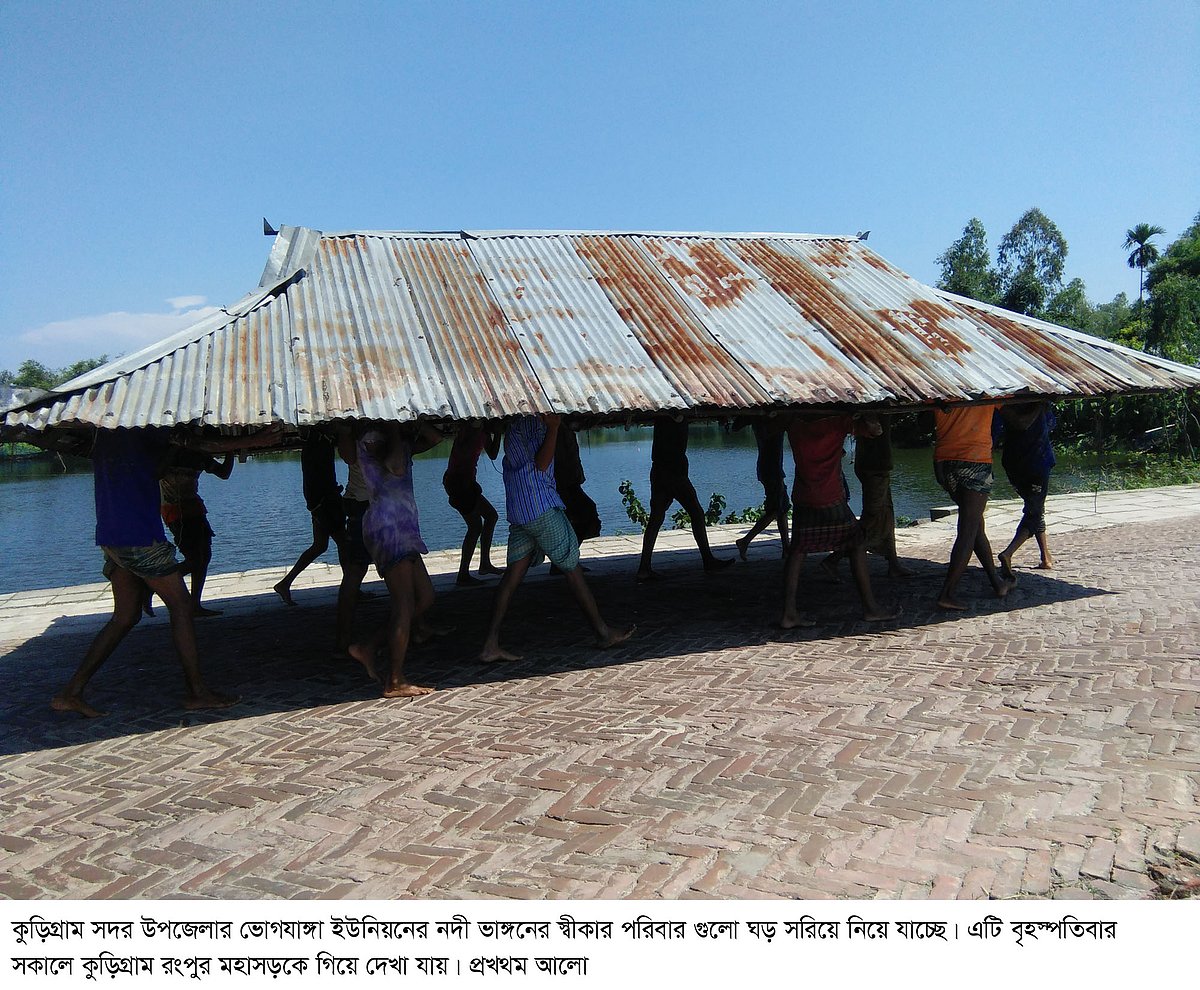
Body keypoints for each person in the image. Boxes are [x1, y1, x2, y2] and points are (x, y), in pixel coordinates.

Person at [52, 424, 279, 718]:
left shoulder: (107, 431)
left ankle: (71, 692)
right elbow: (199, 444)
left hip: (112, 535)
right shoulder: (141, 424)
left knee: (125, 617)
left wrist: (170, 450)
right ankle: (197, 692)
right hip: (138, 536)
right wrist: (256, 439)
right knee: (182, 607)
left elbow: (155, 471)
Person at [479, 414, 633, 662]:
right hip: (540, 507)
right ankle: (603, 632)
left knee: (511, 578)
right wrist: (553, 428)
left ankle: (490, 644)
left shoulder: (516, 426)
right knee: (572, 567)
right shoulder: (534, 424)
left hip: (520, 510)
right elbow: (541, 464)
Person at [347, 421, 443, 698]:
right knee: (404, 603)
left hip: (404, 526)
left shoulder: (397, 440)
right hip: (389, 527)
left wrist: (411, 424)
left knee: (425, 597)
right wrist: (394, 428)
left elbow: (435, 437)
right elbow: (396, 467)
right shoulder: (374, 437)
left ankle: (369, 646)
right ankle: (395, 680)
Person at [780, 414, 900, 628]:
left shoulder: (794, 422)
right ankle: (870, 608)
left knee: (797, 550)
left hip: (803, 496)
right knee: (857, 542)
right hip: (830, 497)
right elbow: (875, 431)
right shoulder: (837, 421)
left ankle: (789, 612)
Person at [933, 401, 1017, 610]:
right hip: (975, 460)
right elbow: (1018, 420)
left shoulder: (938, 386)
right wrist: (1040, 406)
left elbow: (924, 421)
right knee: (969, 529)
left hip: (944, 463)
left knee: (975, 524)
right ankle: (948, 593)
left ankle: (996, 582)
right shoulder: (988, 387)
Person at [636, 416, 734, 581]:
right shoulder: (674, 412)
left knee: (656, 518)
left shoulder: (666, 413)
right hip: (673, 472)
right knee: (696, 513)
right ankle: (708, 560)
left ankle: (644, 567)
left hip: (661, 471)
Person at [821, 414, 914, 579]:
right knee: (871, 517)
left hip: (877, 465)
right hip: (874, 467)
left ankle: (893, 563)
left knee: (886, 515)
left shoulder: (875, 404)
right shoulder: (874, 404)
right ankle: (834, 558)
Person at [158, 448, 234, 616]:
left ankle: (195, 605)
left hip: (194, 507)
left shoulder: (199, 454)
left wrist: (231, 451)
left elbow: (223, 473)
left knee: (205, 555)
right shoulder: (168, 452)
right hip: (175, 510)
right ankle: (152, 584)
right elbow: (156, 474)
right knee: (194, 559)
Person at [274, 430, 345, 606]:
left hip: (321, 501)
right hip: (324, 503)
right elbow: (317, 477)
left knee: (320, 546)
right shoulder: (319, 444)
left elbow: (317, 477)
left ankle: (285, 583)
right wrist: (325, 500)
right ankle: (351, 588)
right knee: (345, 544)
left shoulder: (316, 443)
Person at [995, 402, 1057, 577]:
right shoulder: (1025, 406)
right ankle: (1008, 553)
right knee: (1034, 511)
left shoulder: (1006, 404)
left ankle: (1045, 556)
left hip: (1015, 463)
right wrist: (1040, 405)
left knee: (1035, 507)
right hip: (1035, 462)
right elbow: (1023, 422)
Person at [442, 423, 504, 586]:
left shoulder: (483, 432)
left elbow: (492, 454)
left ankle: (484, 564)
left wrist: (496, 433)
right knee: (476, 527)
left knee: (491, 517)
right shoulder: (469, 429)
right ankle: (463, 574)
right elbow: (462, 451)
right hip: (459, 484)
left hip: (467, 483)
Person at [734, 418, 790, 560]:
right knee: (777, 509)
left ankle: (786, 548)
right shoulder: (768, 421)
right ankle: (745, 540)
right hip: (771, 470)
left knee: (782, 508)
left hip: (773, 469)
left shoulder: (759, 419)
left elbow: (737, 426)